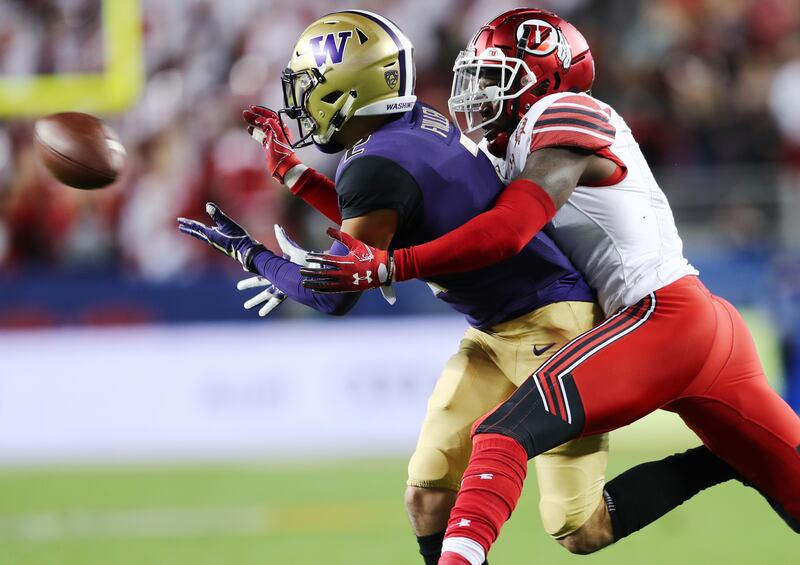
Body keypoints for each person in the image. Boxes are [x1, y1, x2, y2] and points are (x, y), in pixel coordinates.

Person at [178, 10, 776, 564]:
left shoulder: (554, 119)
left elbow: (352, 283)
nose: (478, 96)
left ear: (348, 89)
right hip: (495, 331)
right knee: (427, 495)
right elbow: (391, 213)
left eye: (311, 86)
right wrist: (298, 178)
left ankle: (720, 462)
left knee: (579, 527)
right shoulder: (415, 129)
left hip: (564, 320)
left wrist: (252, 254)